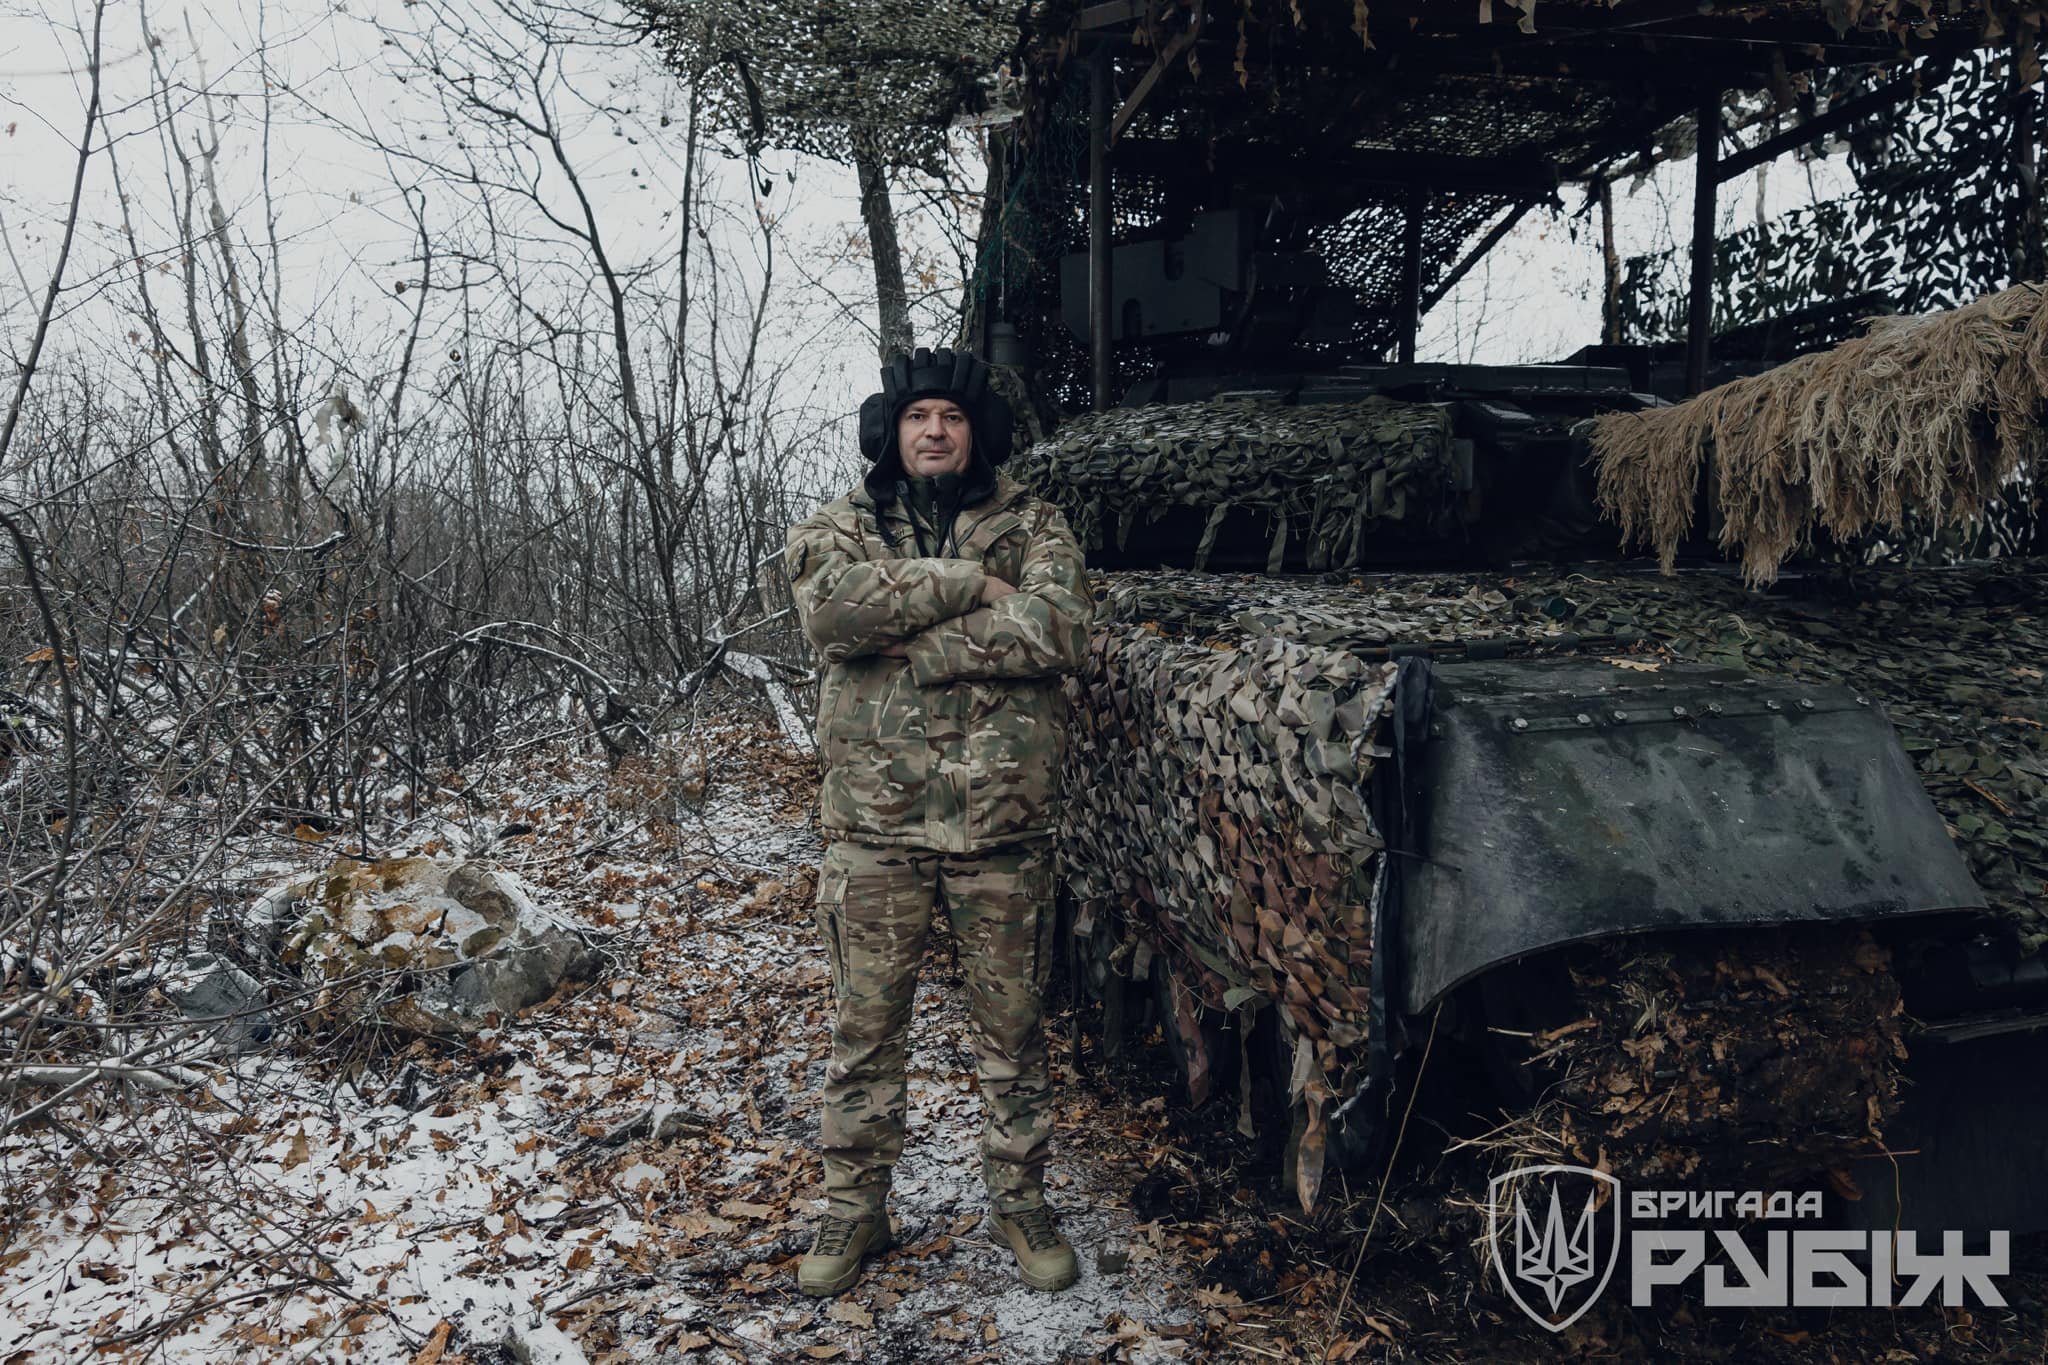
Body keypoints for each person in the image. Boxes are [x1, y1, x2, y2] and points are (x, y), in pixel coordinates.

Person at [783, 347, 1094, 1296]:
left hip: (1001, 827)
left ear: (976, 432)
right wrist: (973, 585)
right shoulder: (839, 525)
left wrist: (917, 641)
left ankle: (1020, 1199)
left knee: (1014, 1034)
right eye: (918, 415)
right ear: (890, 429)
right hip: (876, 828)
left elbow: (1062, 630)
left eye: (952, 417)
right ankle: (855, 1208)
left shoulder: (1034, 523)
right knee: (865, 1032)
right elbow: (832, 617)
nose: (934, 431)